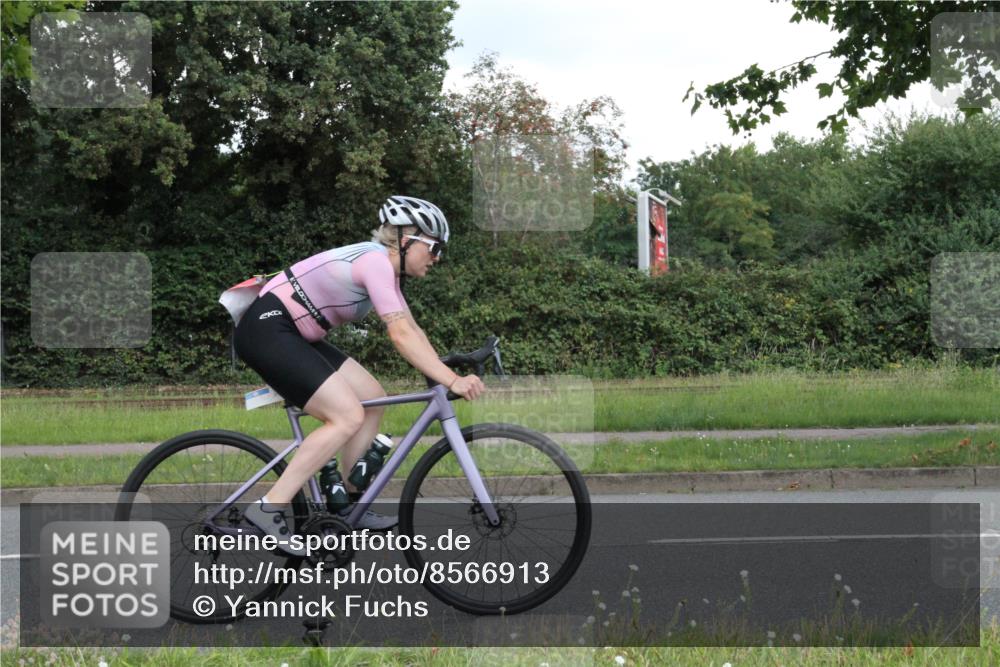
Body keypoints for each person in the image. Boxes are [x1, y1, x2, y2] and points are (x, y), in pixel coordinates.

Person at [233, 196, 485, 555]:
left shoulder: (388, 274)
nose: (437, 257)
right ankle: (268, 508)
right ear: (407, 237)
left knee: (371, 397)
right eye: (434, 247)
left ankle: (347, 504)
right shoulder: (375, 262)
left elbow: (413, 331)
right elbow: (398, 336)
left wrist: (445, 371)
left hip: (295, 335)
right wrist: (451, 380)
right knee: (346, 415)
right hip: (268, 329)